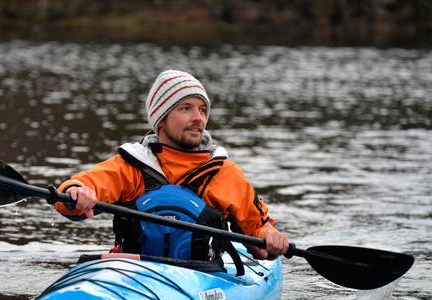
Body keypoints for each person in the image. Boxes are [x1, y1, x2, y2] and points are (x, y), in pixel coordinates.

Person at [53, 69, 290, 261]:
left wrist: (271, 238)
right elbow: (71, 194)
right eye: (186, 108)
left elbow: (258, 231)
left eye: (203, 109)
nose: (199, 118)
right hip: (134, 274)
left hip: (203, 279)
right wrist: (76, 191)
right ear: (161, 121)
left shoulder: (225, 173)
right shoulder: (132, 165)